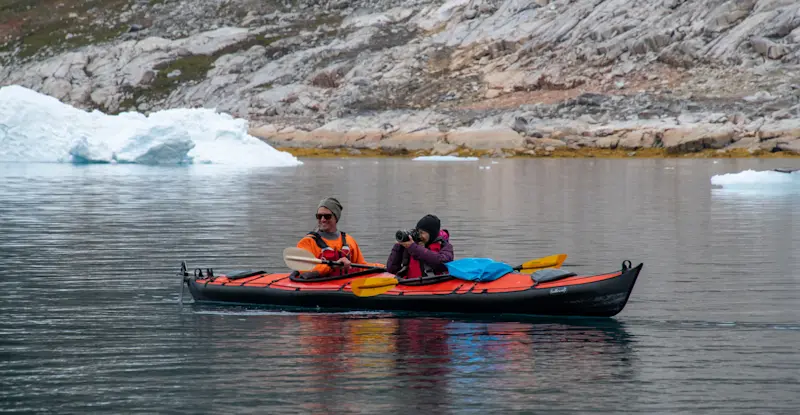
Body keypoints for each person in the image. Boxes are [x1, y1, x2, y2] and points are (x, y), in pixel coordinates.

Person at [296, 197, 368, 278]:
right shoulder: (307, 242)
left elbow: (363, 266)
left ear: (336, 218)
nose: (323, 220)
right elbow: (304, 270)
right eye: (319, 216)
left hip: (347, 283)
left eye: (327, 216)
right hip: (319, 284)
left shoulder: (349, 241)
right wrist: (332, 266)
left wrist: (379, 267)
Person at [386, 214, 454, 279]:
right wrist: (399, 246)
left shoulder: (445, 246)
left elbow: (443, 263)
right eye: (418, 232)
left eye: (422, 233)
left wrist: (413, 248)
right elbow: (391, 269)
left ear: (432, 234)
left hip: (435, 283)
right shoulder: (412, 244)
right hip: (410, 283)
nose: (419, 236)